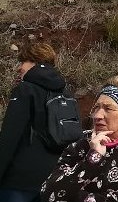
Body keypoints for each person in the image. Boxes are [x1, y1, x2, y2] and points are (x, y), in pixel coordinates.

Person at [39, 76, 118, 202]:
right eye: (96, 107)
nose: (97, 115)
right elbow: (48, 193)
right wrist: (93, 158)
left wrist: (78, 198)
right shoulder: (79, 147)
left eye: (108, 108)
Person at [0, 42, 70, 202]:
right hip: (52, 181)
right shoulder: (66, 94)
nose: (19, 68)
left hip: (18, 181)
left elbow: (9, 138)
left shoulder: (25, 90)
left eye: (23, 62)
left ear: (35, 62)